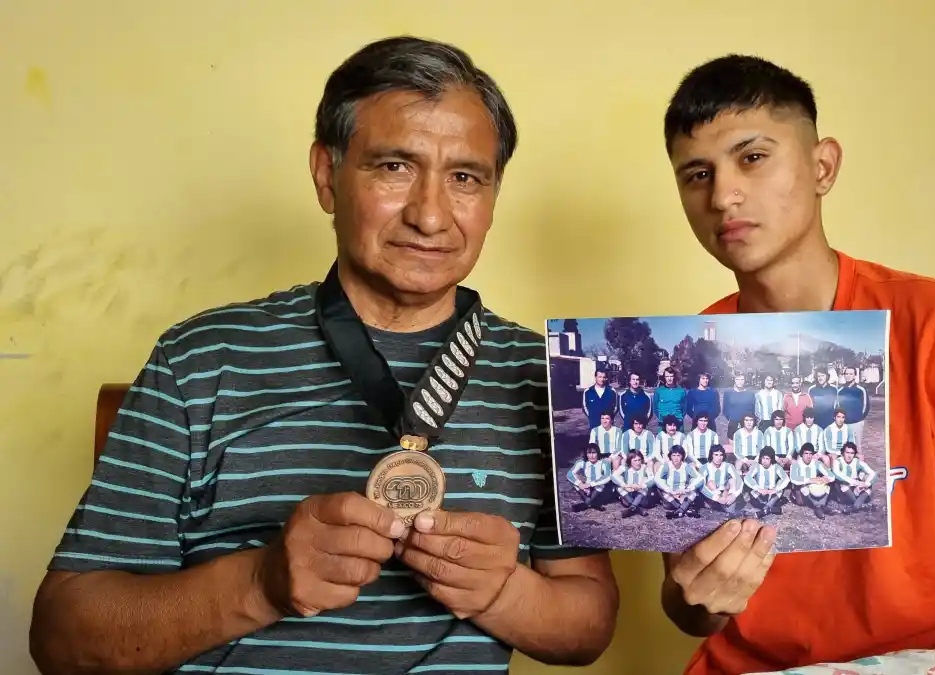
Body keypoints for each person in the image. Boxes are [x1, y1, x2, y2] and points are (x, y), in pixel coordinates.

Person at [29, 36, 618, 675]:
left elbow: (586, 629)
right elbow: (63, 639)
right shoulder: (200, 359)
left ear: (494, 197)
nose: (430, 215)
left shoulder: (552, 378)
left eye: (465, 178)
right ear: (325, 175)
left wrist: (506, 592)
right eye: (394, 167)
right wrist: (261, 583)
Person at [657, 53, 935, 673]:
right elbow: (689, 608)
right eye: (696, 174)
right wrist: (697, 600)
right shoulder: (688, 357)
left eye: (753, 157)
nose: (724, 195)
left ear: (823, 166)